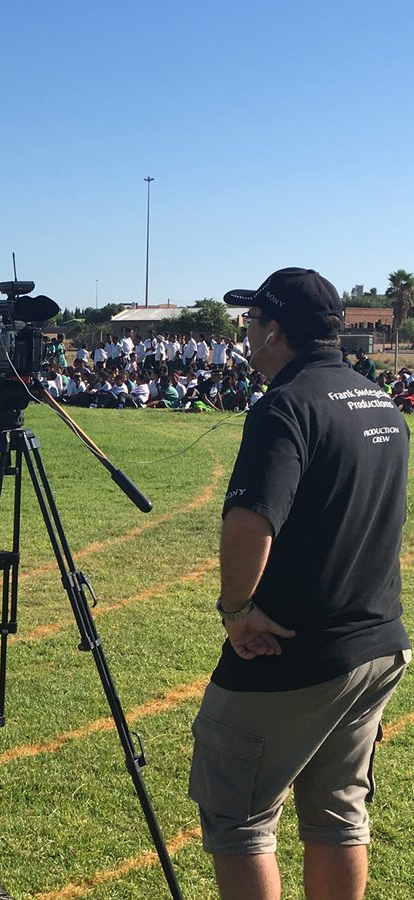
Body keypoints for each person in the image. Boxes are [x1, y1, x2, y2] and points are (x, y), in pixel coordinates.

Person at [189, 268, 410, 900]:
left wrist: (236, 610)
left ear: (276, 329)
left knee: (238, 817)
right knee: (338, 814)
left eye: (251, 324)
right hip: (375, 642)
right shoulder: (379, 402)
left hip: (294, 650)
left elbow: (250, 520)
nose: (248, 338)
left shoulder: (284, 405)